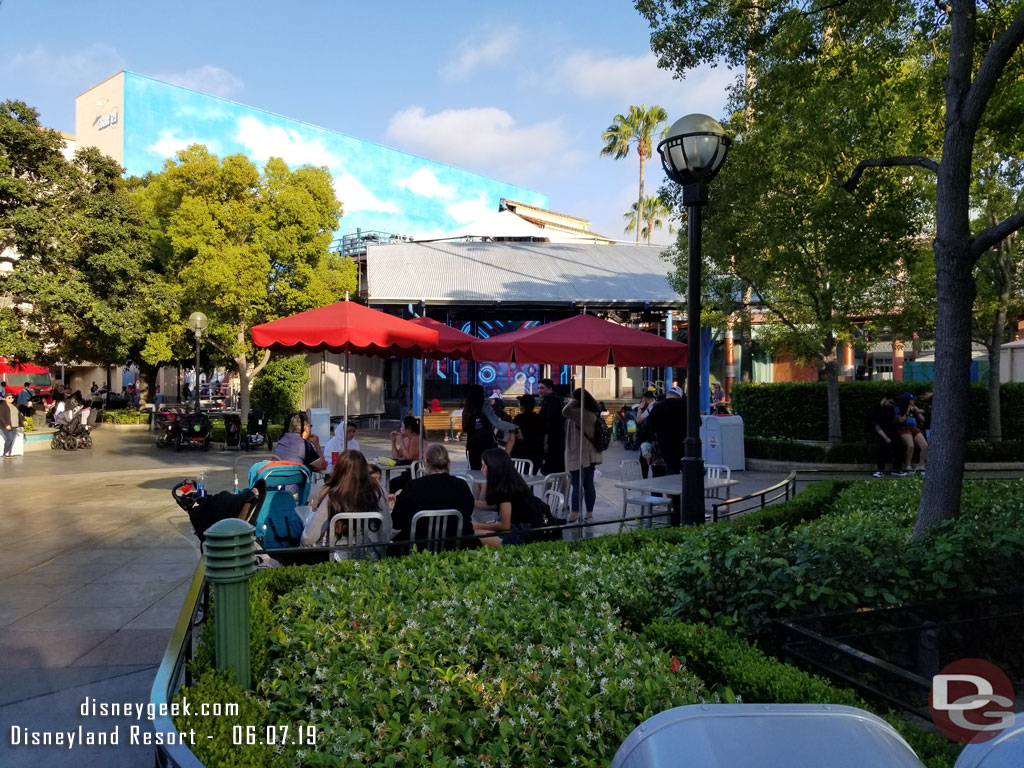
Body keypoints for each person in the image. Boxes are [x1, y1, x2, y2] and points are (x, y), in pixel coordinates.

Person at [303, 451, 391, 559]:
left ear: (339, 470)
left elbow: (310, 536)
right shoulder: (378, 491)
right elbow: (386, 527)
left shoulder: (334, 494)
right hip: (373, 555)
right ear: (364, 469)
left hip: (339, 558)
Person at [390, 443, 476, 550]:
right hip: (455, 545)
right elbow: (468, 513)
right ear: (448, 462)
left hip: (417, 547)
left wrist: (399, 498)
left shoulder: (413, 486)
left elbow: (396, 523)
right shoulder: (461, 485)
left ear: (425, 462)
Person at [472, 447, 535, 547]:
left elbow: (504, 526)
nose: (481, 470)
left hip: (520, 536)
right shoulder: (512, 482)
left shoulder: (505, 490)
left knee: (472, 534)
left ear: (493, 468)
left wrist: (476, 525)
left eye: (483, 466)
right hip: (526, 531)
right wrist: (470, 502)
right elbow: (495, 506)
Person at [645, 385, 687, 525]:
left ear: (668, 394)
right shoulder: (686, 405)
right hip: (686, 447)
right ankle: (688, 506)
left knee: (672, 479)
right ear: (680, 396)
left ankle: (675, 510)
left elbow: (649, 427)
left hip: (667, 448)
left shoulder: (658, 407)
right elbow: (697, 423)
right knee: (688, 479)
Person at [562, 388, 604, 521]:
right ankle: (589, 512)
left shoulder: (581, 413)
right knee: (588, 483)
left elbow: (565, 411)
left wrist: (572, 402)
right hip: (590, 453)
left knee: (577, 484)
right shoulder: (591, 412)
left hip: (580, 454)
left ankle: (574, 512)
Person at [461, 384, 517, 470]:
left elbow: (465, 428)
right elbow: (496, 423)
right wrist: (514, 427)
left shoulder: (467, 408)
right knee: (488, 470)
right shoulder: (485, 406)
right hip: (486, 443)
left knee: (475, 472)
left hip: (472, 445)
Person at [864, 391, 902, 477]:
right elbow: (876, 426)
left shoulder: (890, 409)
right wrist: (886, 438)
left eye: (892, 403)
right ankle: (880, 470)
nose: (890, 404)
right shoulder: (875, 409)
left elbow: (891, 423)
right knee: (881, 444)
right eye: (890, 402)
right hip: (877, 433)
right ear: (885, 399)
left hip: (888, 431)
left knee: (900, 443)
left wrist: (896, 420)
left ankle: (896, 469)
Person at [537, 378, 566, 474]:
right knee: (558, 471)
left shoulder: (552, 401)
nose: (539, 390)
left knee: (552, 471)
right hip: (556, 440)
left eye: (542, 388)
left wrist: (546, 441)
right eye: (538, 388)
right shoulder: (550, 400)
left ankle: (552, 489)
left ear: (550, 389)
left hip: (554, 441)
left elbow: (551, 423)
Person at [511, 394, 545, 473]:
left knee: (520, 481)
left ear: (522, 405)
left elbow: (513, 437)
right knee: (531, 479)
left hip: (520, 456)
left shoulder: (519, 418)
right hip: (536, 455)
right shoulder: (539, 418)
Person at [896, 393, 927, 474]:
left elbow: (922, 419)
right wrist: (907, 411)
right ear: (907, 401)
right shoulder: (898, 408)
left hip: (914, 427)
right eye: (912, 400)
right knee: (910, 446)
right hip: (904, 428)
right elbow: (900, 420)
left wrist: (917, 410)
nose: (913, 401)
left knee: (925, 446)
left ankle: (921, 466)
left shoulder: (914, 408)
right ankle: (908, 466)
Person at [389, 415, 422, 492]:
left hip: (417, 474)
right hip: (409, 473)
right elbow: (396, 458)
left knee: (392, 484)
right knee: (391, 484)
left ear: (409, 428)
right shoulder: (406, 439)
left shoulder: (416, 438)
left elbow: (410, 458)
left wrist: (401, 442)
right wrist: (393, 442)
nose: (400, 429)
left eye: (402, 426)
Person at [635, 390, 657, 478]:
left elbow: (638, 420)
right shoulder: (657, 405)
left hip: (648, 439)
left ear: (646, 399)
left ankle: (644, 478)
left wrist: (640, 408)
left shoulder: (650, 407)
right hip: (656, 438)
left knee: (644, 459)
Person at [1, 391, 24, 458]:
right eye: (9, 398)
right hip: (6, 425)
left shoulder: (15, 405)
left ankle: (9, 452)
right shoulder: (2, 406)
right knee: (9, 438)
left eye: (12, 398)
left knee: (12, 439)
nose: (11, 399)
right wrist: (6, 425)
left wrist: (23, 420)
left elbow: (19, 414)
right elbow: (1, 416)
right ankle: (6, 453)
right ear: (5, 398)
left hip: (14, 425)